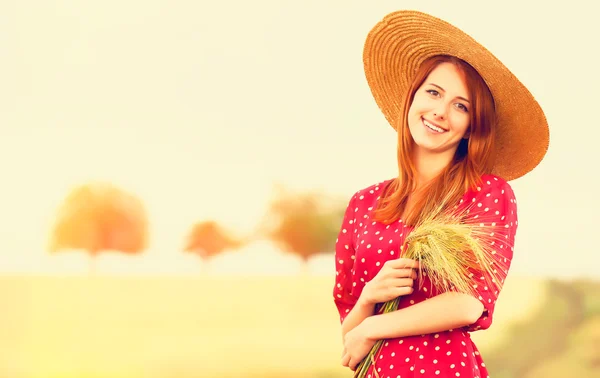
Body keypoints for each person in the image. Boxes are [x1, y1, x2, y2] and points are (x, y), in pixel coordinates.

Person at [334, 10, 549, 378]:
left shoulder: (487, 193)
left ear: (471, 127)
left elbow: (469, 304)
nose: (440, 112)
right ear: (412, 97)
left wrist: (372, 327)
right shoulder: (363, 203)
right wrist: (370, 297)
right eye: (433, 92)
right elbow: (348, 337)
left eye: (461, 106)